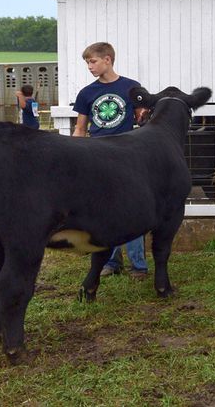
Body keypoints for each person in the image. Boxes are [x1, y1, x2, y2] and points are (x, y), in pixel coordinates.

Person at [73, 42, 150, 280]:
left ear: (108, 59)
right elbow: (80, 128)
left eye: (93, 61)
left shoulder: (131, 88)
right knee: (105, 212)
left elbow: (143, 120)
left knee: (133, 210)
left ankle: (138, 266)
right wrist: (72, 156)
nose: (89, 67)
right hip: (97, 157)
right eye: (87, 62)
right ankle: (111, 262)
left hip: (126, 156)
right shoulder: (86, 93)